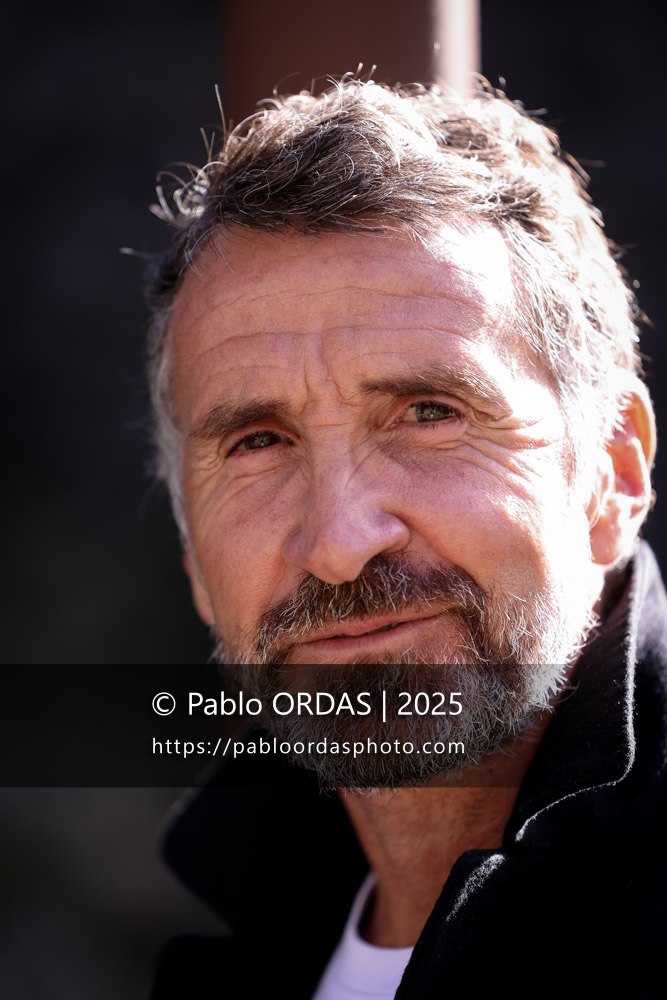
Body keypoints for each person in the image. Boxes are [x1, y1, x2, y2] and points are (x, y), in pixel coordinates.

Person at [145, 79, 665, 999]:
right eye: (257, 443)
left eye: (429, 414)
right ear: (192, 554)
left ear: (612, 472)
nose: (339, 544)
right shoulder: (238, 952)